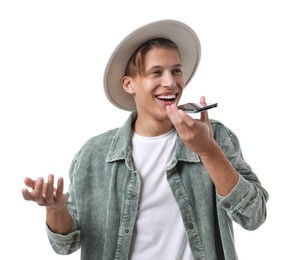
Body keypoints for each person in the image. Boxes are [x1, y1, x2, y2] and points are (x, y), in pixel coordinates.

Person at [22, 19, 269, 260]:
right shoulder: (93, 155)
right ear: (129, 84)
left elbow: (253, 215)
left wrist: (207, 151)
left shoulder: (215, 138)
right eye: (156, 72)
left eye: (176, 71)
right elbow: (66, 244)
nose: (170, 82)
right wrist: (55, 208)